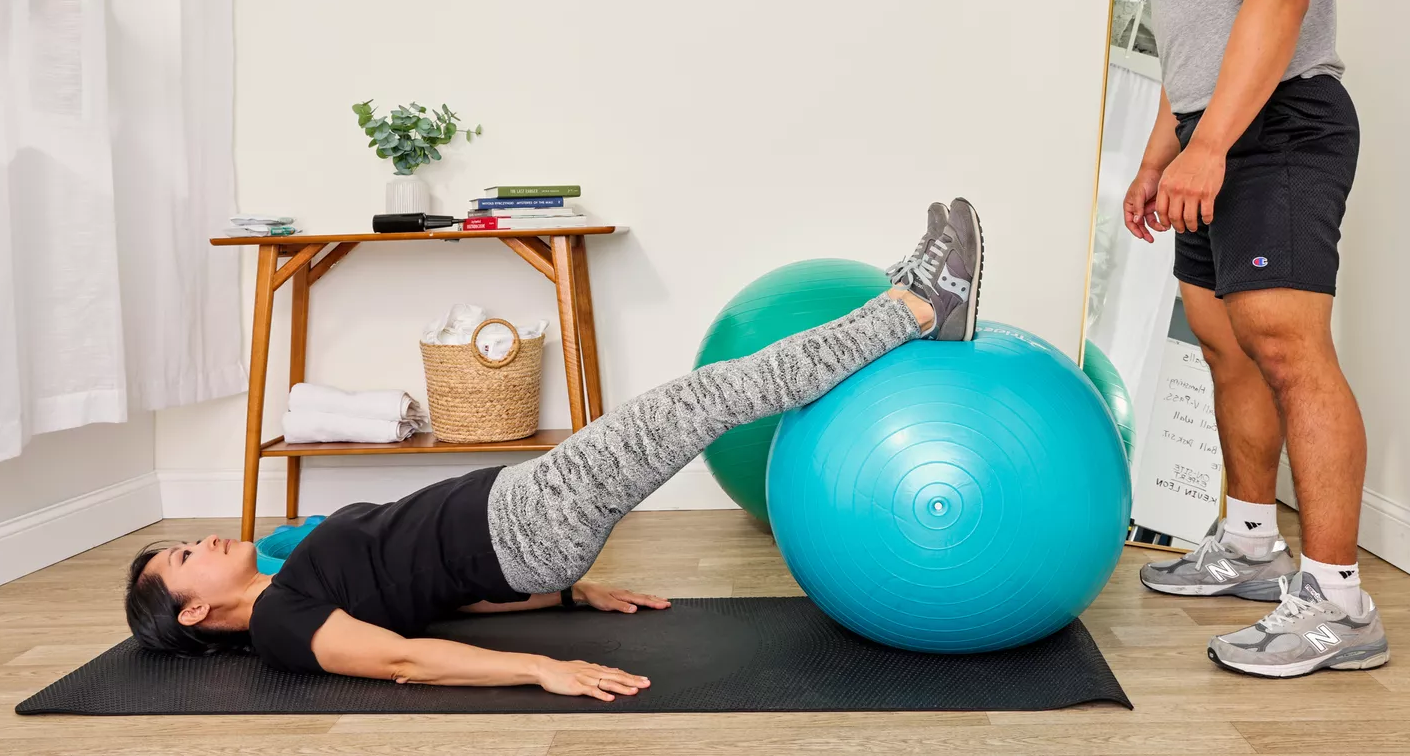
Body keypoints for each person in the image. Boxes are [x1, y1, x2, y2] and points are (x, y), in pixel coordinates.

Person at [125, 199, 985, 700]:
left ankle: (905, 297)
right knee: (717, 392)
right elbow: (404, 658)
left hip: (530, 519)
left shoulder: (290, 582)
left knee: (710, 396)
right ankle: (917, 307)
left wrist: (568, 591)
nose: (198, 542)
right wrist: (542, 669)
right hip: (529, 518)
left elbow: (430, 600)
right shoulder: (281, 625)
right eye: (182, 559)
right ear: (195, 610)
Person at [1049, 0, 1387, 678]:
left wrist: (1211, 147)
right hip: (1220, 125)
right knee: (1222, 340)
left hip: (1278, 122)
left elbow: (1274, 7)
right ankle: (1248, 544)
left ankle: (1337, 601)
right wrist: (1162, 156)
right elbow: (1200, 37)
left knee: (1286, 346)